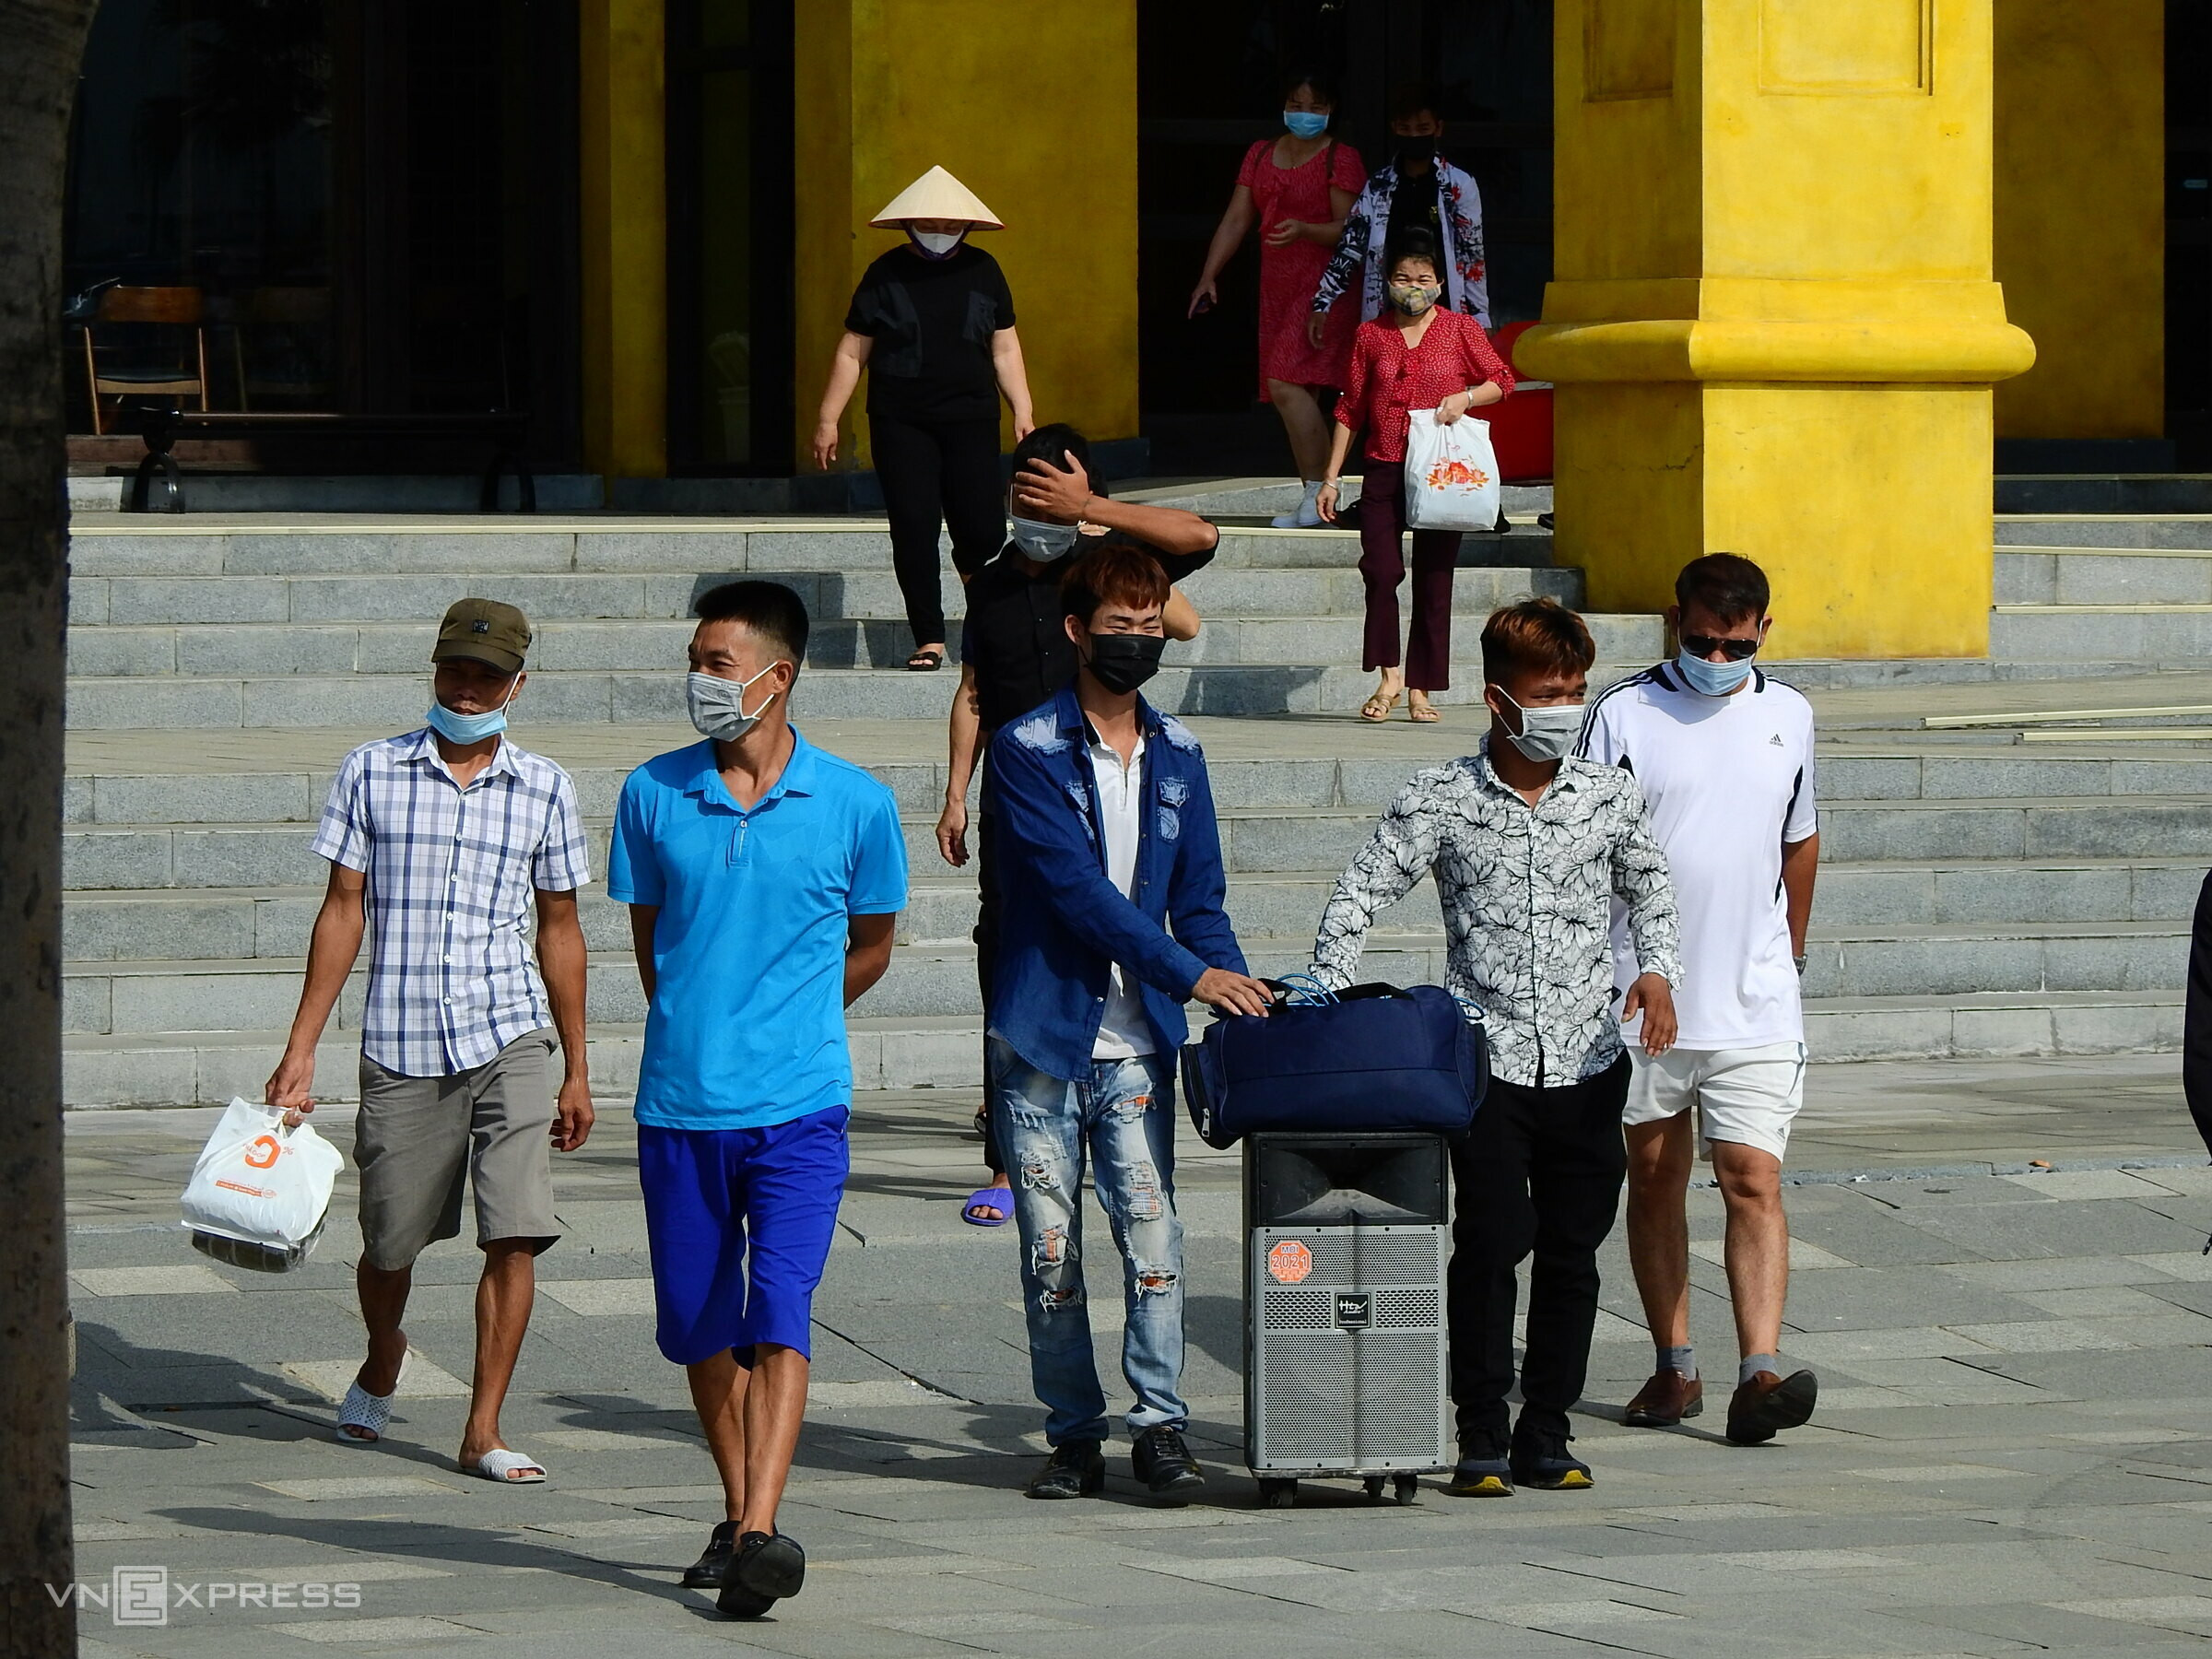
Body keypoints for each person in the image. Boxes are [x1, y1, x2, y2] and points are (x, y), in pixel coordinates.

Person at [1310, 598, 1681, 1497]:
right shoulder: (1442, 797)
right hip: (1487, 1061)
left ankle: (1545, 1430)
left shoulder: (1609, 793)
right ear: (1498, 699)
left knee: (1571, 1249)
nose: (1566, 707)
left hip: (1590, 1057)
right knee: (1492, 1238)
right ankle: (1479, 1425)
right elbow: (1361, 893)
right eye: (1548, 693)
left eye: (1578, 691)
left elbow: (1652, 887)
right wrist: (1323, 992)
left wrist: (1660, 973)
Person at [607, 581, 907, 1618]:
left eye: (717, 663)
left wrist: (791, 1021)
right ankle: (738, 1515)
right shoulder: (651, 793)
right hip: (680, 1107)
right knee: (701, 1326)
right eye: (694, 660)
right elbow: (654, 946)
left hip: (802, 1109)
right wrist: (708, 1019)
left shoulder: (859, 803)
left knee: (779, 1312)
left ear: (779, 675)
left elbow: (872, 945)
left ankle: (763, 1531)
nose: (700, 681)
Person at [266, 599, 592, 1488]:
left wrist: (578, 1066)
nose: (466, 687)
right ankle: (383, 1353)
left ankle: (483, 1426)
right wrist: (301, 1051)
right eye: (454, 669)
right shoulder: (372, 772)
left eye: (485, 675)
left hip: (511, 1031)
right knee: (388, 1244)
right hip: (403, 1040)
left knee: (516, 1232)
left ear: (518, 685)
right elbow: (342, 911)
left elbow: (560, 928)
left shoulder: (546, 787)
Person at [984, 543, 1274, 1503]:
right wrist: (1193, 973)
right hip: (1043, 1037)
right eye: (1121, 627)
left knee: (1154, 1239)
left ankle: (1160, 1424)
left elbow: (1201, 898)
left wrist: (1229, 979)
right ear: (1077, 630)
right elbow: (1076, 896)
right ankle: (1073, 1433)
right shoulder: (1024, 750)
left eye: (1153, 629)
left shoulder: (1183, 755)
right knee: (1052, 1249)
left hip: (1142, 1040)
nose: (1138, 643)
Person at [935, 424, 1218, 1227]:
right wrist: (956, 790)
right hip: (1014, 803)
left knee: (1110, 928)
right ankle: (1007, 1151)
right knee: (1010, 952)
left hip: (1107, 789)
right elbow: (974, 692)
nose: (1043, 509)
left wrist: (1093, 510)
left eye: (1057, 493)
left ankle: (1108, 1119)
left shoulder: (1098, 576)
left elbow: (1201, 538)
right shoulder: (988, 582)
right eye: (1031, 494)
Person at [1577, 554, 1823, 1445]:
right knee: (1655, 1174)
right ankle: (1674, 1363)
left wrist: (1788, 951)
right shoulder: (1624, 712)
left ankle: (1761, 1371)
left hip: (1753, 997)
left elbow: (1801, 838)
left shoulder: (1788, 715)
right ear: (1672, 619)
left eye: (1732, 642)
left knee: (1751, 1175)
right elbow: (1586, 846)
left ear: (1763, 629)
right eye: (1698, 639)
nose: (1714, 656)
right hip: (1639, 996)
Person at [812, 166, 1035, 673]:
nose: (939, 231)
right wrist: (829, 419)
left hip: (972, 417)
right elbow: (853, 351)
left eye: (949, 223)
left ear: (967, 226)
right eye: (929, 222)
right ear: (909, 223)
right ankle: (929, 636)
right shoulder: (884, 274)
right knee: (913, 526)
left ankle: (981, 611)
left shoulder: (985, 271)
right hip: (900, 419)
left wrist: (1022, 407)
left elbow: (1004, 345)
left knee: (980, 529)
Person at [1317, 229, 1513, 724]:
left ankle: (1421, 688)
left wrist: (1464, 398)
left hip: (1440, 470)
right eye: (1403, 278)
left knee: (1434, 580)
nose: (1413, 286)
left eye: (1423, 279)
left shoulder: (1459, 329)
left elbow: (1502, 380)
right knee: (1381, 572)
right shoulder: (1371, 335)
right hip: (1383, 467)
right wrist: (1331, 478)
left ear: (1440, 285)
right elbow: (1350, 408)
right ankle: (1390, 676)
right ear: (1387, 283)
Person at [1186, 68, 1366, 528]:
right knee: (1293, 386)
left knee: (1285, 380)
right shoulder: (1261, 153)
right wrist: (1209, 275)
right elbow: (1235, 219)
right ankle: (1321, 498)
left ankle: (1320, 491)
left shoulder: (1340, 158)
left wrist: (1306, 229)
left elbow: (1352, 229)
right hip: (1277, 287)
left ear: (1332, 110)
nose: (1304, 114)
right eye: (1296, 104)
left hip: (1327, 286)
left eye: (1316, 106)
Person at [1308, 81, 1489, 341]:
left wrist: (1480, 318)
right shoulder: (1379, 186)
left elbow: (1472, 253)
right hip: (1389, 312)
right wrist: (1323, 302)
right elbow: (1351, 245)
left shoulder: (1458, 185)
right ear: (1394, 128)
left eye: (1423, 128)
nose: (1414, 136)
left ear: (1438, 128)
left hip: (1447, 308)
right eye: (1406, 129)